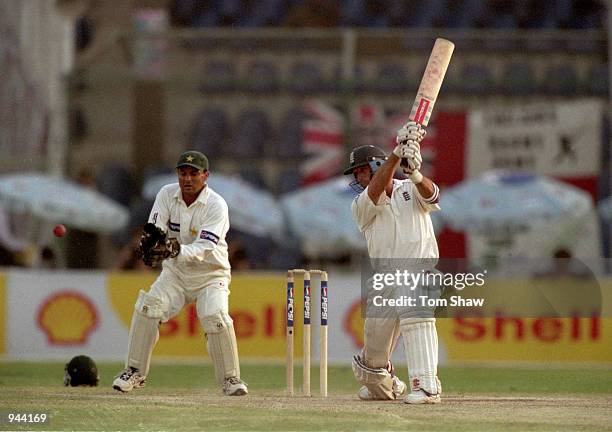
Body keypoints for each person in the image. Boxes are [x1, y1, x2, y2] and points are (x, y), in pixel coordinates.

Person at [113, 150, 248, 396]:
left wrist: (174, 248)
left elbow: (206, 246)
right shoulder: (166, 194)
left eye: (193, 174)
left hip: (211, 274)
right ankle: (134, 371)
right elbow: (155, 226)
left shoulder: (216, 205)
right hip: (175, 273)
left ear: (205, 176)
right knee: (148, 307)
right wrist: (150, 241)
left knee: (215, 317)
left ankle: (231, 379)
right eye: (183, 173)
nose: (187, 179)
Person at [344, 121, 442, 404]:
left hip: (418, 268)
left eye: (362, 169)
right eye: (356, 172)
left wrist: (416, 174)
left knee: (416, 318)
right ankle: (388, 384)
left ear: (375, 166)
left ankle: (427, 387)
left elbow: (433, 196)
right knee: (370, 363)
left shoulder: (408, 189)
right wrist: (397, 154)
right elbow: (376, 190)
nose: (358, 176)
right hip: (385, 277)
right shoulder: (362, 203)